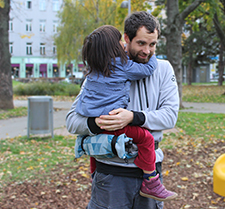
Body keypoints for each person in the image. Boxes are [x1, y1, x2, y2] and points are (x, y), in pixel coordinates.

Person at [66, 11, 179, 209]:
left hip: (150, 171)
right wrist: (96, 123)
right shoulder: (102, 68)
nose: (147, 51)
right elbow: (72, 121)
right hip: (110, 175)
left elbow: (170, 117)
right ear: (126, 39)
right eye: (141, 43)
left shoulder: (163, 69)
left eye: (153, 44)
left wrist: (133, 117)